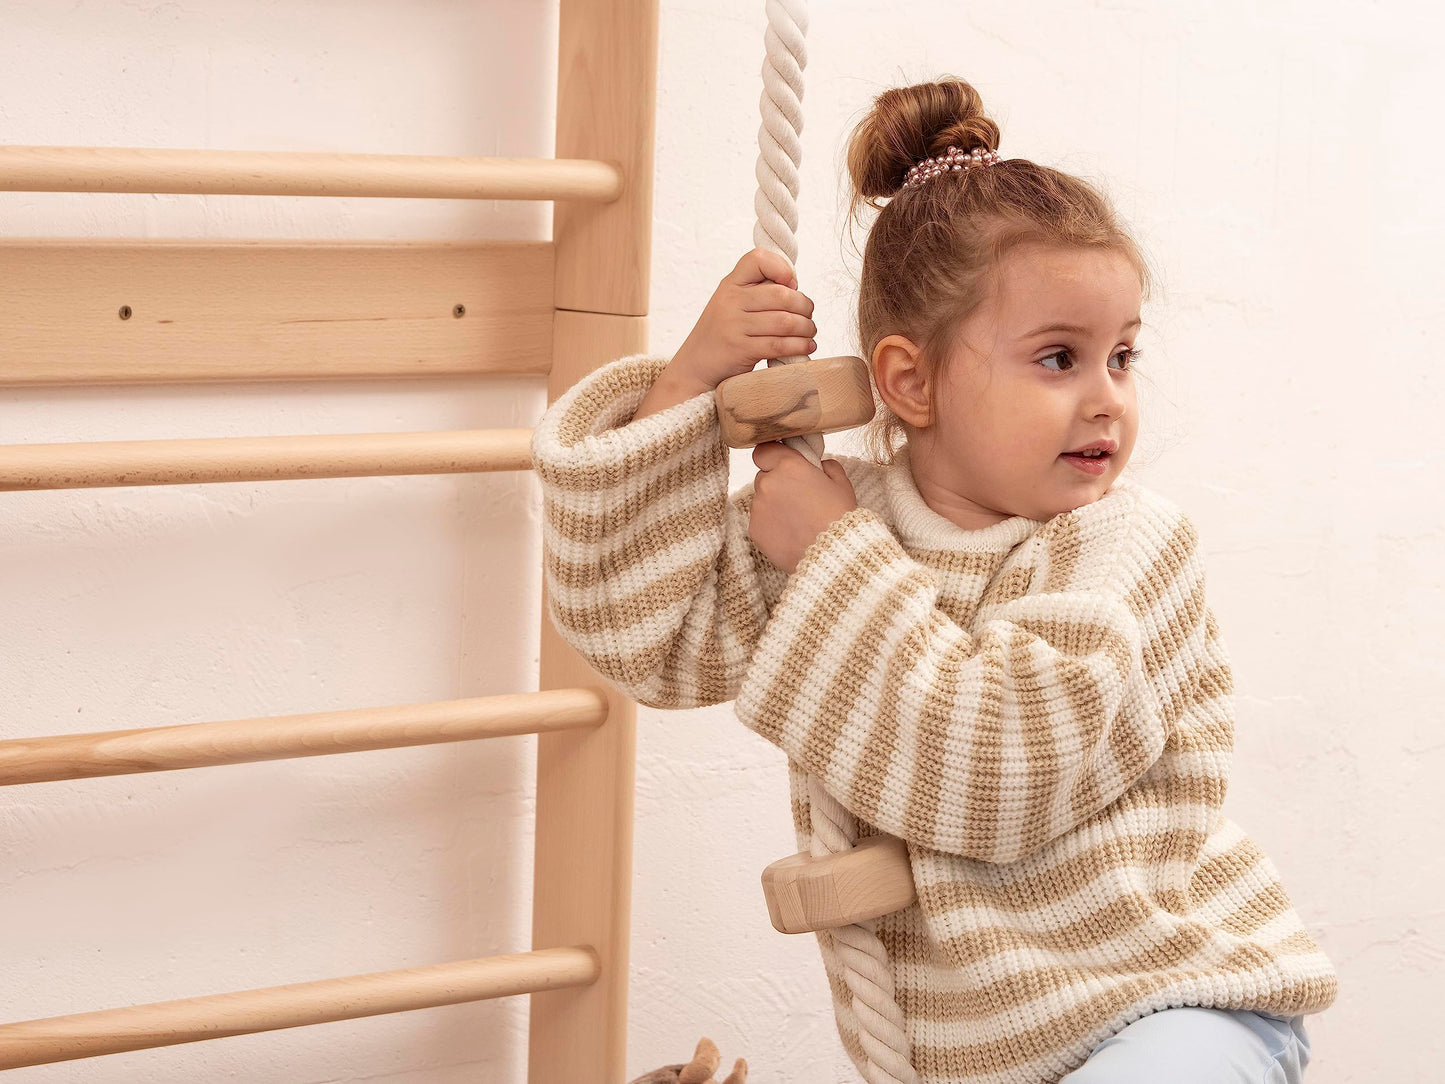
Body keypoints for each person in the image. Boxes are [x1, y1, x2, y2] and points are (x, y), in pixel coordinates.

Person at [529, 77, 1337, 1084]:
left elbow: (1004, 773)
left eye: (1120, 356)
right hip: (979, 1061)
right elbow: (639, 634)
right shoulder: (835, 527)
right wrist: (684, 388)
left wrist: (828, 555)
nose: (1106, 400)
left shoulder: (1124, 550)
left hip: (1170, 1007)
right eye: (1057, 358)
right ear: (910, 381)